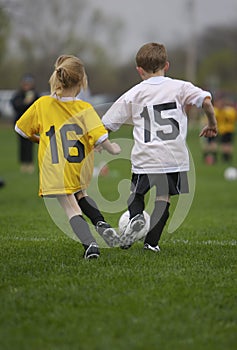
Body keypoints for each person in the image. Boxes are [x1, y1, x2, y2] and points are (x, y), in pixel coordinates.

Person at [102, 42, 218, 252]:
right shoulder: (181, 87)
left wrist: (101, 142)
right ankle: (151, 243)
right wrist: (211, 123)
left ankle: (136, 217)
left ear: (139, 70)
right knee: (163, 199)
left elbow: (107, 124)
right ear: (167, 65)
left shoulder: (134, 93)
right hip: (173, 157)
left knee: (136, 195)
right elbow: (207, 101)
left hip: (146, 157)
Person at [15, 54, 121, 259]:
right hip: (79, 166)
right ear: (82, 81)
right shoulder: (85, 108)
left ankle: (90, 245)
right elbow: (100, 138)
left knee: (71, 207)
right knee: (81, 194)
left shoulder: (43, 104)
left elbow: (20, 129)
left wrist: (38, 139)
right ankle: (101, 223)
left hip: (54, 169)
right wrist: (112, 148)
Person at [11, 74, 40, 173]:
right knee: (22, 144)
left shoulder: (35, 95)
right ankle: (23, 163)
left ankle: (30, 163)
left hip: (32, 124)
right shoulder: (18, 95)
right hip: (20, 124)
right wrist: (25, 102)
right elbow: (15, 105)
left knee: (30, 144)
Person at [214, 93, 237, 163]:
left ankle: (226, 158)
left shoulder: (219, 111)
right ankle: (226, 158)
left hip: (225, 129)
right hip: (226, 129)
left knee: (226, 145)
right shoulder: (231, 110)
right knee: (226, 144)